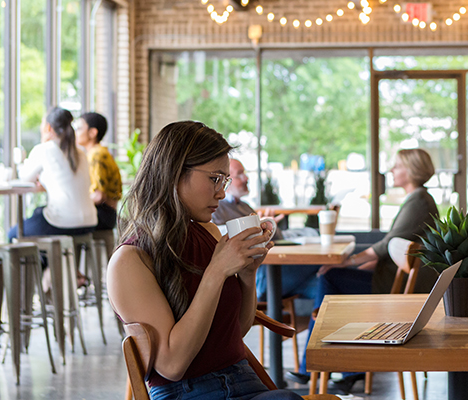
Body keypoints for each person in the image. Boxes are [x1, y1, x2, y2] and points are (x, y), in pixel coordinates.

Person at [107, 121, 301, 400]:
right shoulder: (130, 260)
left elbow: (235, 331)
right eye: (214, 179)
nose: (221, 193)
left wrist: (247, 275)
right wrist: (216, 272)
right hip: (188, 392)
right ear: (174, 172)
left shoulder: (208, 232)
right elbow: (172, 365)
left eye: (224, 181)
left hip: (245, 381)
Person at [286, 149, 440, 392]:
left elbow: (385, 245)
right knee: (332, 279)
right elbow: (390, 247)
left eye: (397, 166)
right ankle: (336, 368)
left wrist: (348, 261)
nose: (391, 170)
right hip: (393, 280)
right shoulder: (419, 198)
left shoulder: (419, 200)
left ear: (411, 170)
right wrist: (359, 263)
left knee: (330, 276)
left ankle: (319, 366)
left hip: (395, 289)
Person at [211, 159, 320, 302]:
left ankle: (312, 324)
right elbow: (218, 236)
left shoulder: (244, 206)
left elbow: (275, 238)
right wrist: (256, 229)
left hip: (267, 273)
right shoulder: (215, 208)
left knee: (322, 283)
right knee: (318, 264)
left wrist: (269, 227)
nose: (246, 178)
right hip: (258, 277)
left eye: (245, 173)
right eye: (240, 174)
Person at [9, 107, 97, 241]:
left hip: (64, 222)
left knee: (13, 234)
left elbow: (25, 177)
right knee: (38, 212)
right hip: (90, 221)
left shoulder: (44, 149)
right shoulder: (81, 152)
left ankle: (43, 262)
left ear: (48, 128)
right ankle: (47, 260)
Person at [75, 112, 122, 231]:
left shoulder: (96, 155)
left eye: (79, 128)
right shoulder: (101, 152)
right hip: (109, 214)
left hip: (103, 214)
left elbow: (99, 196)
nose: (75, 133)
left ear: (92, 132)